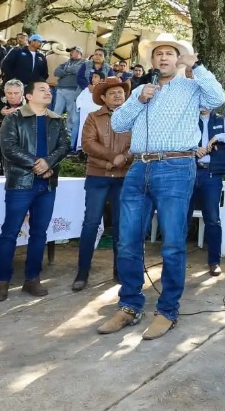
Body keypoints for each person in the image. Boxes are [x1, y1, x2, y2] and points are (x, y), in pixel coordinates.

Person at [96, 33, 224, 341]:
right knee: (126, 240)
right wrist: (139, 100)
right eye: (158, 54)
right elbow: (117, 125)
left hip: (176, 166)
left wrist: (199, 67)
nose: (163, 58)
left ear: (178, 58)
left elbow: (218, 97)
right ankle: (129, 306)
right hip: (139, 167)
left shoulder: (193, 87)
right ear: (152, 61)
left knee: (173, 243)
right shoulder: (142, 89)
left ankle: (167, 310)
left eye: (170, 53)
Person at [0, 81, 72, 302]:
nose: (48, 92)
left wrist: (49, 164)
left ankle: (32, 279)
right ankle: (1, 281)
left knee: (39, 233)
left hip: (47, 184)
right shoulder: (14, 118)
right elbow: (8, 147)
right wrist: (37, 164)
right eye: (42, 90)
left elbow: (64, 146)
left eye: (49, 90)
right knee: (10, 233)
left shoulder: (56, 120)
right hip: (21, 184)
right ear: (28, 96)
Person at [76, 77, 133, 291]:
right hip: (97, 177)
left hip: (124, 179)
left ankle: (119, 271)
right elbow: (88, 144)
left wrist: (124, 159)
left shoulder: (133, 116)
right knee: (91, 224)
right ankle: (82, 272)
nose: (118, 95)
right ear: (103, 98)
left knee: (121, 226)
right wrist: (112, 160)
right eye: (112, 93)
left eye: (120, 91)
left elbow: (137, 143)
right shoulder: (93, 117)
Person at [191, 105, 225, 276]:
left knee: (212, 219)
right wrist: (193, 148)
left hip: (212, 174)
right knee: (182, 217)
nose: (203, 105)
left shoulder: (222, 121)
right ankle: (176, 262)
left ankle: (214, 261)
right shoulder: (189, 118)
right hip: (189, 173)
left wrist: (218, 137)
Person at [0, 79, 25, 164]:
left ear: (22, 93)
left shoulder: (30, 107)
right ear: (5, 92)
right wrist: (0, 114)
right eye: (9, 93)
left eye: (16, 93)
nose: (12, 96)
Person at [53, 46, 86, 143]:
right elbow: (56, 72)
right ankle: (54, 133)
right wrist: (68, 70)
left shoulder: (84, 62)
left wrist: (66, 70)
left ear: (79, 52)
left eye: (73, 51)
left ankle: (69, 137)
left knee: (71, 115)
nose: (70, 53)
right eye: (70, 51)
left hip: (73, 91)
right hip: (60, 89)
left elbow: (77, 70)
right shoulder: (66, 62)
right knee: (56, 112)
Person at [75, 72, 105, 151]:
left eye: (95, 77)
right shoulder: (86, 89)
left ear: (101, 79)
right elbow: (79, 99)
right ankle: (81, 148)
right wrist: (81, 107)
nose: (93, 79)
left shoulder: (104, 90)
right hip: (85, 113)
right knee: (83, 128)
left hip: (97, 113)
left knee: (96, 130)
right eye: (92, 77)